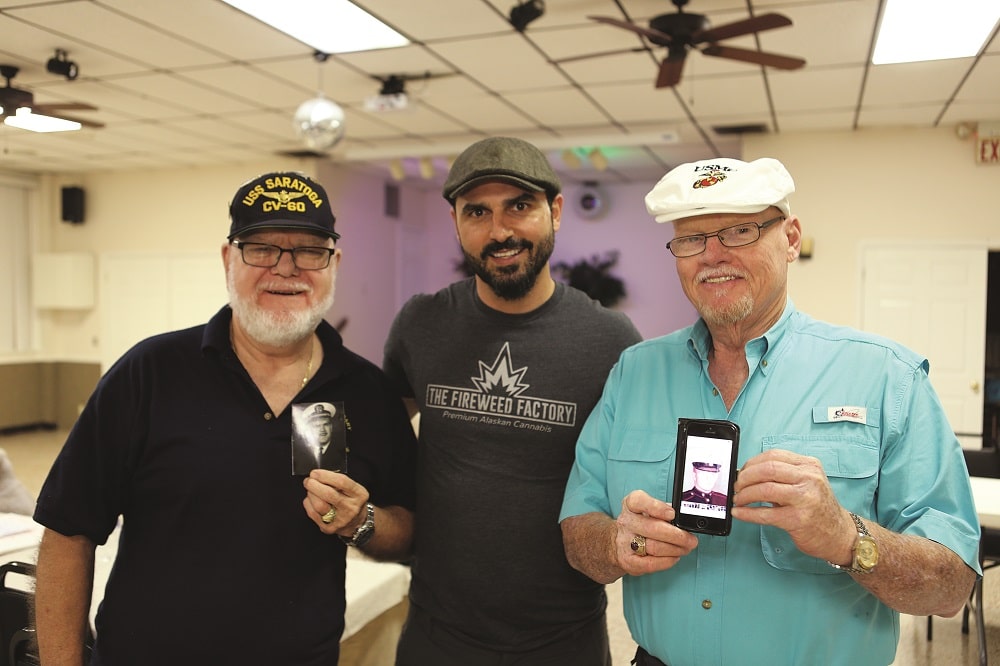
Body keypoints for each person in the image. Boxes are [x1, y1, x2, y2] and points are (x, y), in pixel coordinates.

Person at [559, 157, 981, 666]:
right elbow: (577, 531)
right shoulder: (634, 373)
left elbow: (951, 586)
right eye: (692, 238)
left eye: (740, 231)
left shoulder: (888, 378)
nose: (713, 256)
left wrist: (846, 536)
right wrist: (613, 542)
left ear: (791, 237)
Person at [32, 171, 418, 666]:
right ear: (227, 259)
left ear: (334, 264)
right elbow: (67, 530)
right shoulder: (148, 374)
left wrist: (362, 522)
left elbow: (409, 527)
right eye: (260, 248)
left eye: (309, 250)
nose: (286, 268)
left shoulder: (368, 393)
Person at [382, 136, 642, 665]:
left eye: (519, 207)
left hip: (562, 638)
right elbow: (379, 434)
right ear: (456, 222)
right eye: (477, 212)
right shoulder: (421, 323)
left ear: (556, 212)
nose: (499, 231)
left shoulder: (609, 339)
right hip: (437, 634)